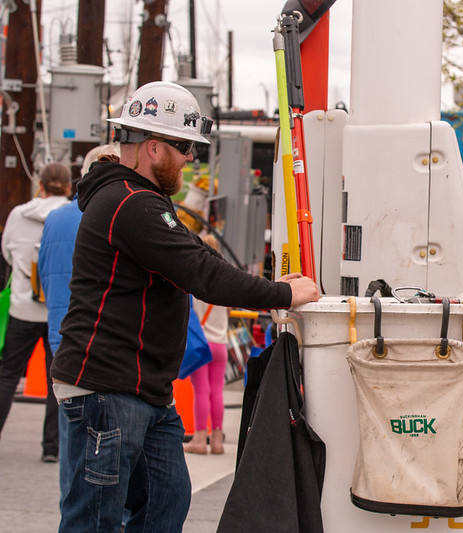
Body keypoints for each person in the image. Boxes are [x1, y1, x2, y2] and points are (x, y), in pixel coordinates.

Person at [50, 81, 320, 532]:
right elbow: (203, 273)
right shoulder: (129, 203)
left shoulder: (142, 201)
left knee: (165, 503)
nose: (191, 159)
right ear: (153, 148)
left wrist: (274, 283)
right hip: (107, 388)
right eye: (184, 147)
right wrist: (284, 296)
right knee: (95, 521)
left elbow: (202, 257)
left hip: (141, 390)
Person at [38, 144, 120, 509]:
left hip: (61, 337)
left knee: (73, 446)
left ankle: (69, 513)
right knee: (109, 454)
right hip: (102, 346)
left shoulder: (55, 219)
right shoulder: (116, 215)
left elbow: (41, 274)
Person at [0, 162, 71, 463]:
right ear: (69, 187)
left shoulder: (18, 215)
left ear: (39, 185)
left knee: (7, 375)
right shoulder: (71, 215)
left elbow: (7, 251)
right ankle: (51, 448)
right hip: (59, 310)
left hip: (23, 307)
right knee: (57, 381)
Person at [183, 234, 229, 455]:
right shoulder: (224, 280)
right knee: (217, 391)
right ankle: (217, 440)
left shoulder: (194, 279)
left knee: (201, 391)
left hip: (201, 344)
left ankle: (200, 439)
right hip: (221, 344)